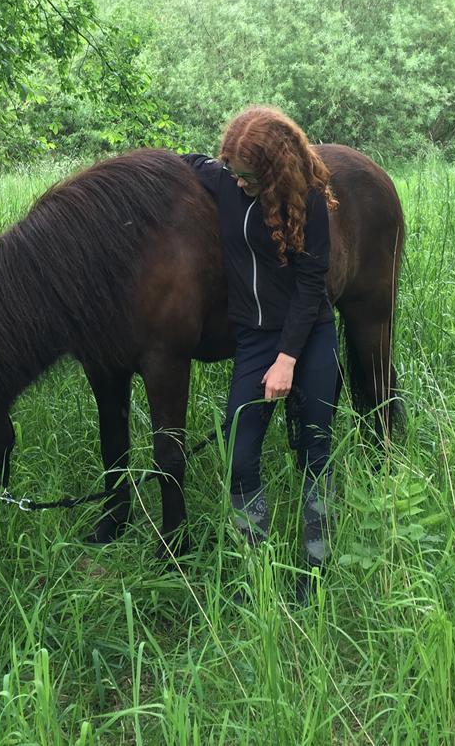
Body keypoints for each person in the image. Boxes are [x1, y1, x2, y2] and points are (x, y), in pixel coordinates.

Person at [182, 105, 340, 602]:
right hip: (253, 339)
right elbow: (188, 162)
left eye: (249, 177)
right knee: (238, 454)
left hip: (307, 336)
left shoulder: (309, 200)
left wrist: (288, 358)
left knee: (316, 447)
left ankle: (315, 571)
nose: (239, 184)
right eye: (233, 173)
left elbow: (312, 282)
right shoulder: (227, 181)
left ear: (275, 171)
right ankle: (258, 568)